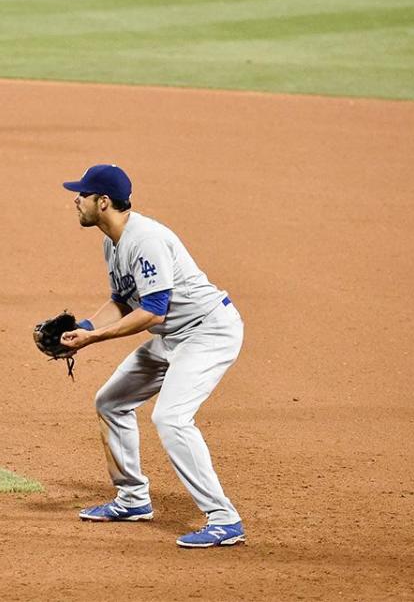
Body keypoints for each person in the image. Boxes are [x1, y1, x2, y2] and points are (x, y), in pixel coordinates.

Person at [57, 164, 247, 548]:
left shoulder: (146, 239)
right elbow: (122, 301)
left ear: (103, 201)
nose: (76, 200)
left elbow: (154, 310)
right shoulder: (111, 240)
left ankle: (224, 519)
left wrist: (94, 341)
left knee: (171, 418)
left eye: (83, 195)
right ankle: (132, 499)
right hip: (174, 335)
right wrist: (86, 328)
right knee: (111, 402)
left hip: (207, 331)